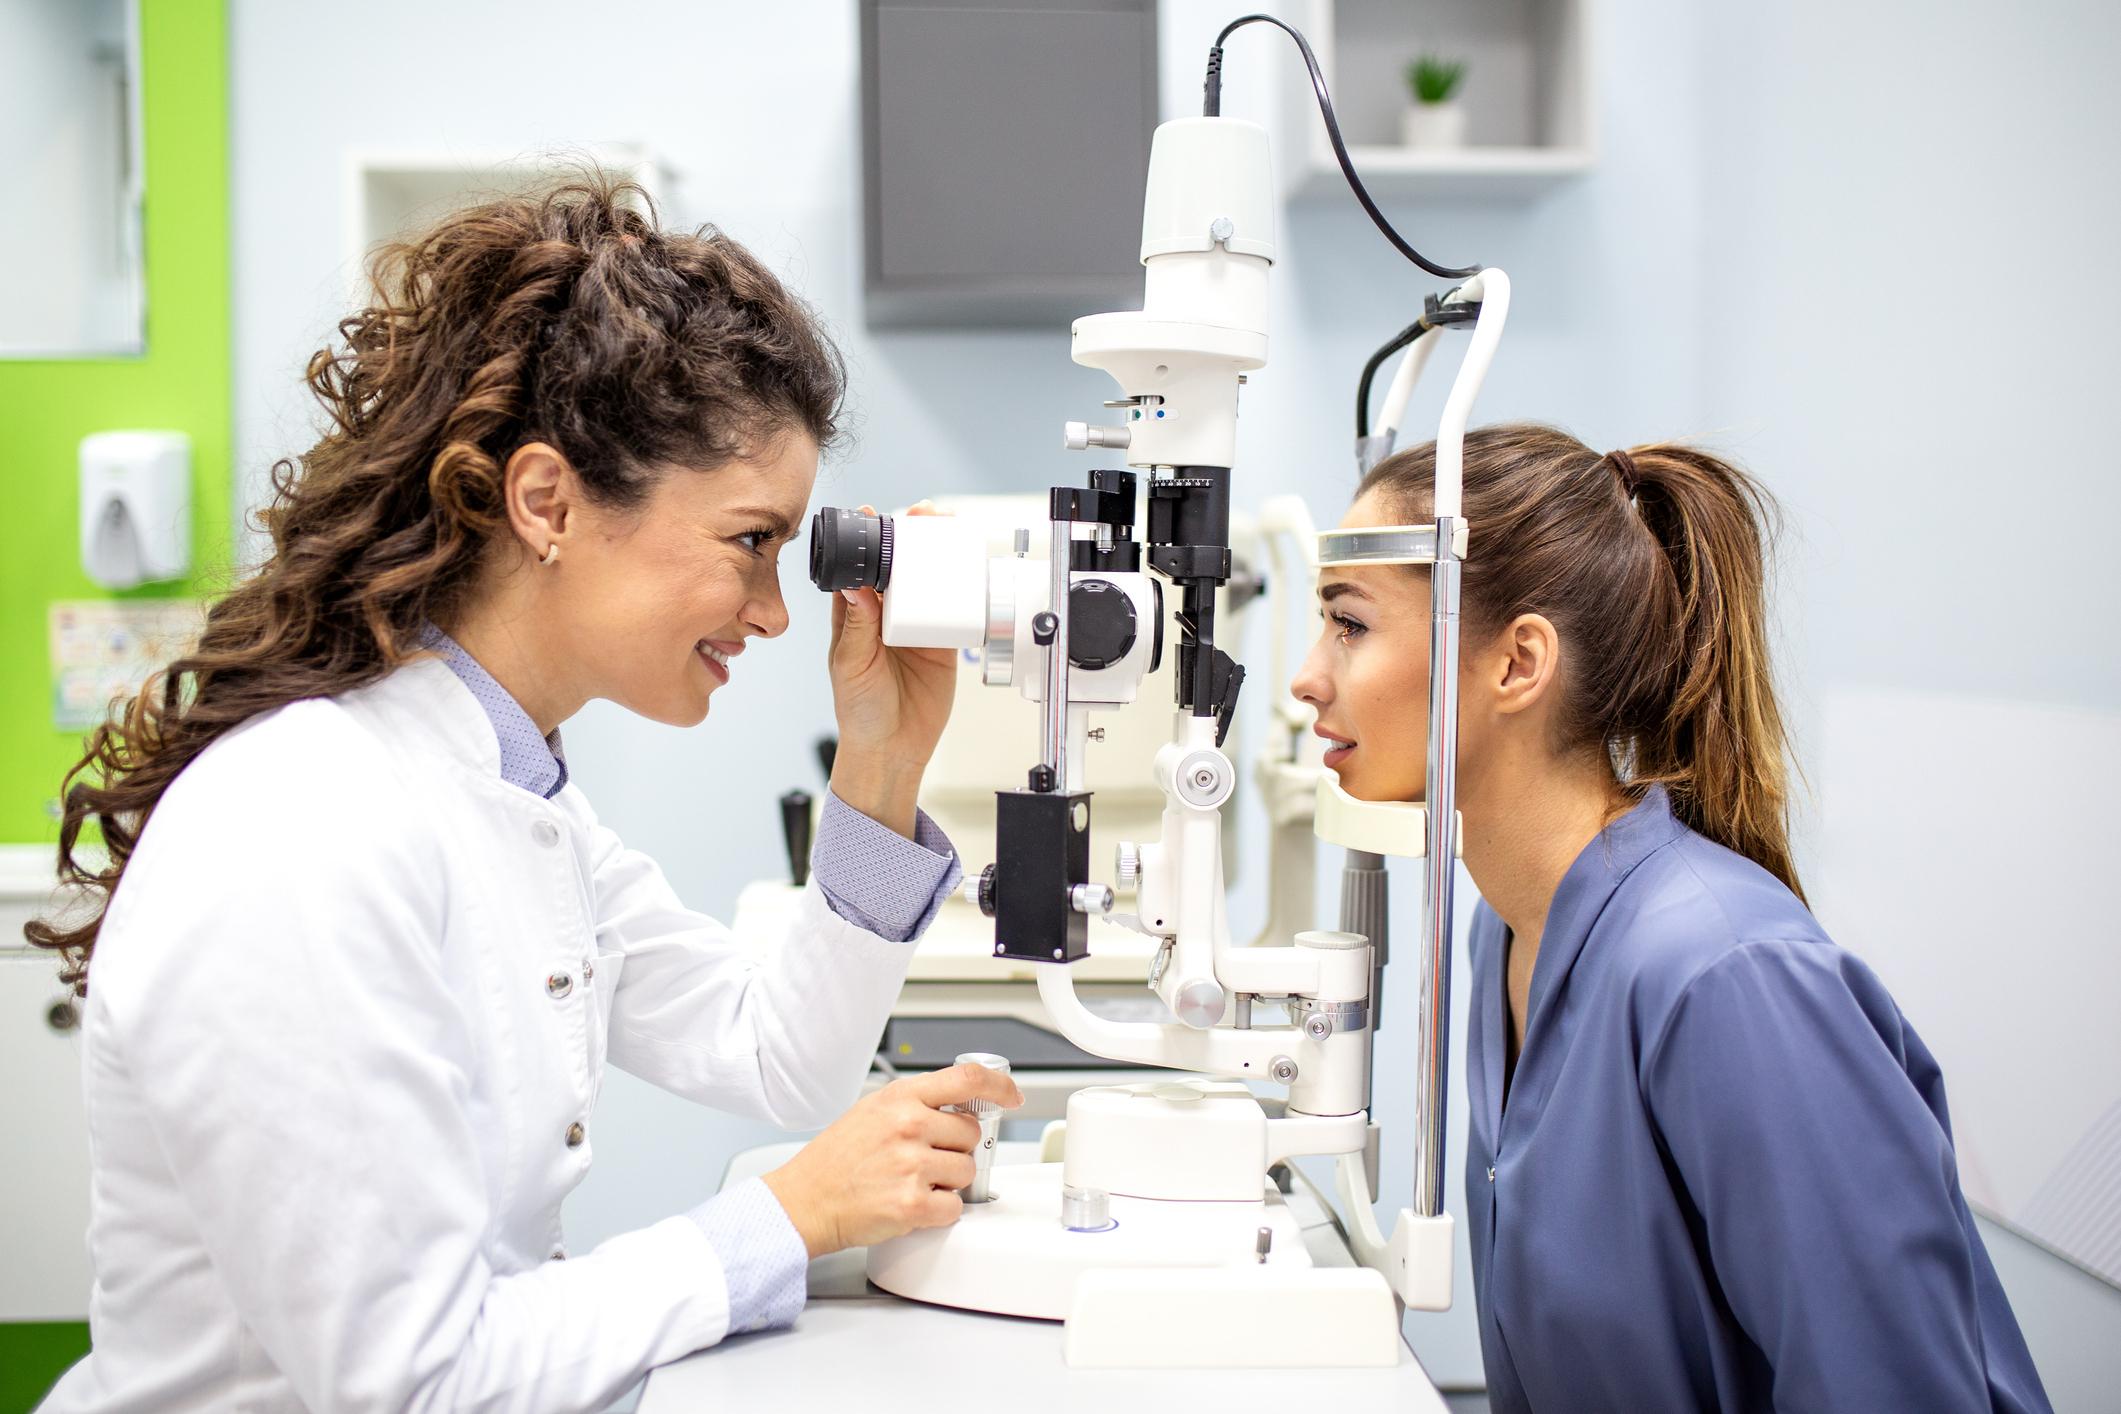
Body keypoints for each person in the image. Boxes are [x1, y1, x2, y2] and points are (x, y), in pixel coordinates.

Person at [26, 178, 1020, 1412]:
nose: (773, 611)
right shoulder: (303, 828)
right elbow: (416, 1377)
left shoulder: (515, 798)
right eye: (749, 541)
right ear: (547, 502)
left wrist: (880, 758)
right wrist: (781, 1218)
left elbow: (779, 1060)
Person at [1290, 424, 2050, 1413]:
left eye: (1349, 624)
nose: (1308, 676)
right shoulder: (1510, 931)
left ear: (1518, 663)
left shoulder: (1724, 973)